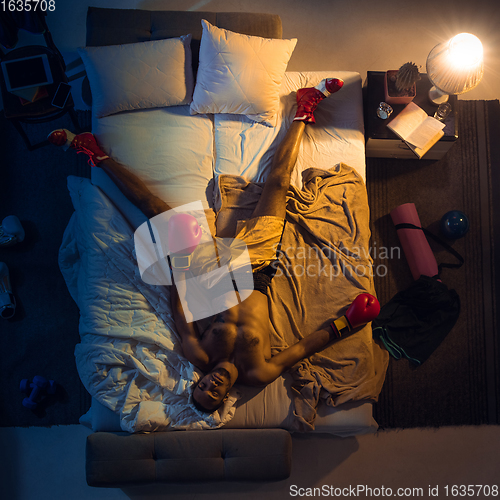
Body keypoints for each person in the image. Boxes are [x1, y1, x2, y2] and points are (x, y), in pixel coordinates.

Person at [49, 78, 379, 413]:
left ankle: (94, 152)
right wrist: (348, 322)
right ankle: (306, 107)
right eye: (215, 393)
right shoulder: (258, 372)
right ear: (225, 398)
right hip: (255, 267)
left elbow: (180, 310)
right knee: (278, 184)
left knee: (155, 210)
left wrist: (180, 259)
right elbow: (305, 347)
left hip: (206, 275)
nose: (212, 384)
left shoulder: (201, 355)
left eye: (203, 387)